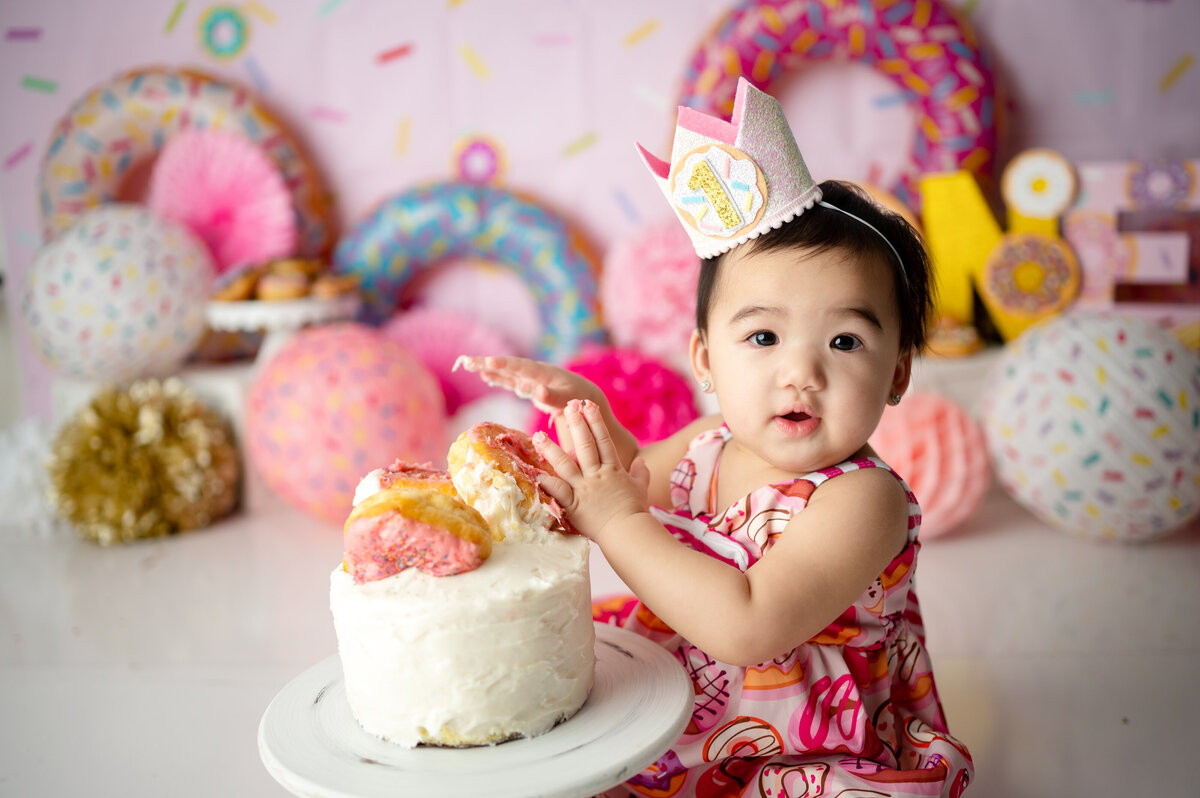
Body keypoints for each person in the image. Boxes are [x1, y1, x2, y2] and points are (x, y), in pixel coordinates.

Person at [460, 78, 973, 797]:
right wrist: (592, 413)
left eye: (846, 341)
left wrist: (616, 521)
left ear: (897, 373)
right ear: (705, 360)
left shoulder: (863, 501)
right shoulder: (709, 443)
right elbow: (635, 480)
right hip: (678, 707)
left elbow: (747, 628)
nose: (801, 372)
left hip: (796, 750)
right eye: (763, 335)